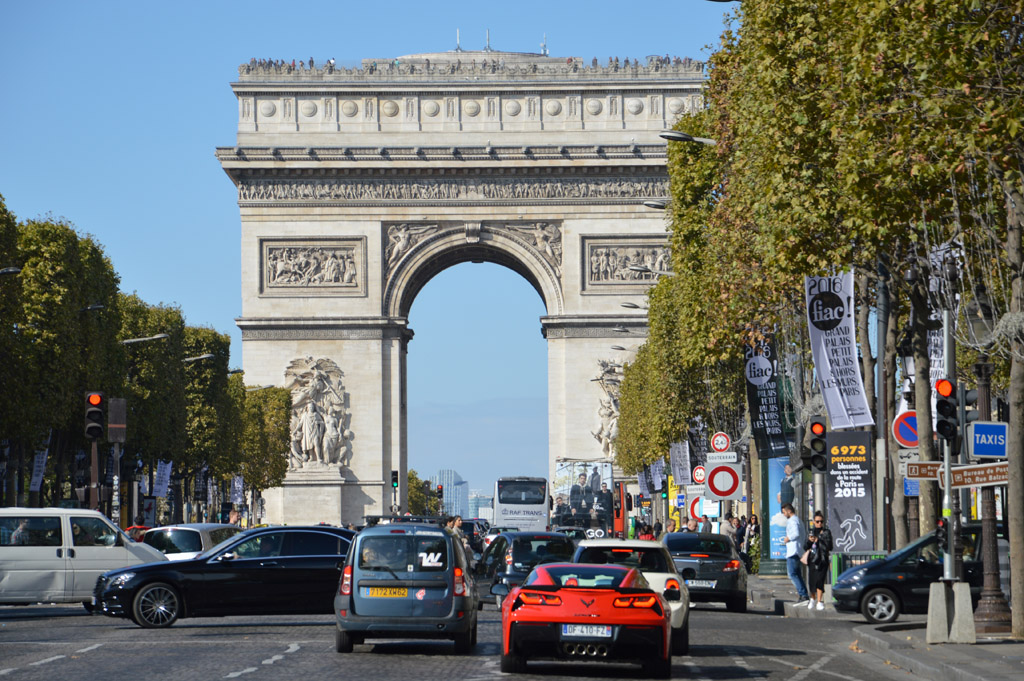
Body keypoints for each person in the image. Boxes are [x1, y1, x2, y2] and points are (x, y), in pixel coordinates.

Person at [804, 511, 834, 610]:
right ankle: (812, 598)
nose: (819, 523)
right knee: (812, 581)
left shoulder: (826, 532)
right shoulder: (811, 532)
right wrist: (810, 541)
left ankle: (819, 601)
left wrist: (819, 540)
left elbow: (829, 546)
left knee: (820, 580)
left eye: (821, 521)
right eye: (817, 521)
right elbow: (805, 547)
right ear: (813, 522)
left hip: (822, 559)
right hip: (812, 559)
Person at [781, 503, 809, 602]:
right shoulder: (798, 520)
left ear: (789, 511)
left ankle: (803, 594)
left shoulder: (792, 521)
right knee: (797, 574)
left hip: (793, 551)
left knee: (792, 574)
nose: (784, 514)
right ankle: (803, 594)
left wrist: (788, 538)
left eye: (784, 512)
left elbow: (795, 533)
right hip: (798, 550)